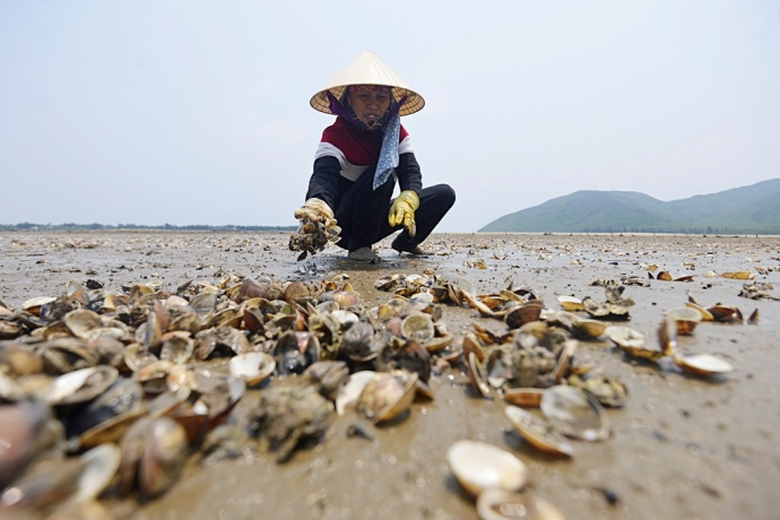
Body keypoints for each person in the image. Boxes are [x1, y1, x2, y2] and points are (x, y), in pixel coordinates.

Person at [296, 50, 456, 262]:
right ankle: (359, 247)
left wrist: (408, 197)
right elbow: (324, 176)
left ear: (390, 103)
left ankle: (406, 242)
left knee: (444, 194)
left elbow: (410, 171)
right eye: (364, 97)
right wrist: (318, 203)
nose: (373, 104)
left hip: (376, 218)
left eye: (381, 98)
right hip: (345, 226)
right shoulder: (336, 135)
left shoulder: (396, 134)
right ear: (348, 101)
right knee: (381, 175)